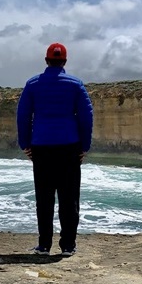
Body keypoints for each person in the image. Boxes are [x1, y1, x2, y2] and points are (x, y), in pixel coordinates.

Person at [16, 42, 93, 256]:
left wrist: (25, 144)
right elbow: (86, 117)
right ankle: (68, 245)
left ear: (46, 60)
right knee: (69, 198)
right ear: (65, 61)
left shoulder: (33, 84)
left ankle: (44, 245)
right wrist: (84, 146)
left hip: (41, 147)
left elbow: (23, 116)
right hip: (69, 147)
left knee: (44, 198)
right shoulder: (75, 84)